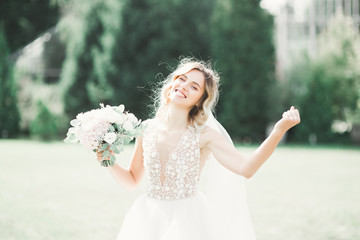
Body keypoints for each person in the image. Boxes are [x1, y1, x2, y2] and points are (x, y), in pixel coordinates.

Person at [97, 57, 301, 240]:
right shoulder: (146, 129)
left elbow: (247, 168)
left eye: (194, 87)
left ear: (200, 101)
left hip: (188, 222)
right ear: (172, 83)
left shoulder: (204, 135)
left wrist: (278, 131)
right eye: (182, 79)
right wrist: (105, 159)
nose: (184, 86)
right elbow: (132, 181)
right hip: (147, 219)